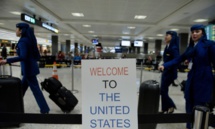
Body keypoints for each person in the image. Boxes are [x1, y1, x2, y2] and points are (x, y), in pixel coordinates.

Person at [159, 24, 215, 129]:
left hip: (204, 79)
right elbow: (179, 59)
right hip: (192, 78)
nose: (194, 34)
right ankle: (189, 126)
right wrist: (165, 65)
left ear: (202, 32)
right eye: (192, 32)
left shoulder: (209, 45)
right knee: (189, 103)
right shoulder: (191, 46)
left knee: (199, 105)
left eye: (197, 31)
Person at [0, 23, 50, 114]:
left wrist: (6, 60)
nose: (16, 31)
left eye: (17, 29)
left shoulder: (23, 41)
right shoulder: (29, 40)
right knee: (21, 89)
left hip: (28, 70)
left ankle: (45, 110)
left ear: (21, 30)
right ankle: (13, 107)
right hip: (30, 69)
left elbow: (23, 56)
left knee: (35, 90)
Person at [159, 31, 180, 114]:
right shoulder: (167, 47)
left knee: (163, 90)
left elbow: (176, 60)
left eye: (167, 35)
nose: (165, 36)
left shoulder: (174, 47)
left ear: (172, 37)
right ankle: (164, 109)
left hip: (170, 73)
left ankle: (171, 105)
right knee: (163, 91)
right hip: (165, 72)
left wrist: (165, 65)